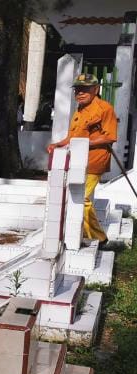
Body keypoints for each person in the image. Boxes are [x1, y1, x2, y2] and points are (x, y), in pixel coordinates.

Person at [46, 73, 117, 246]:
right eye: (77, 89)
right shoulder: (79, 110)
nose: (80, 93)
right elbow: (72, 136)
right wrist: (58, 144)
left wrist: (84, 144)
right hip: (78, 160)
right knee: (77, 197)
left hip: (95, 160)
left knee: (82, 198)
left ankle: (99, 237)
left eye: (85, 89)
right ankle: (84, 232)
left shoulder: (104, 108)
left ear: (96, 89)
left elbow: (110, 137)